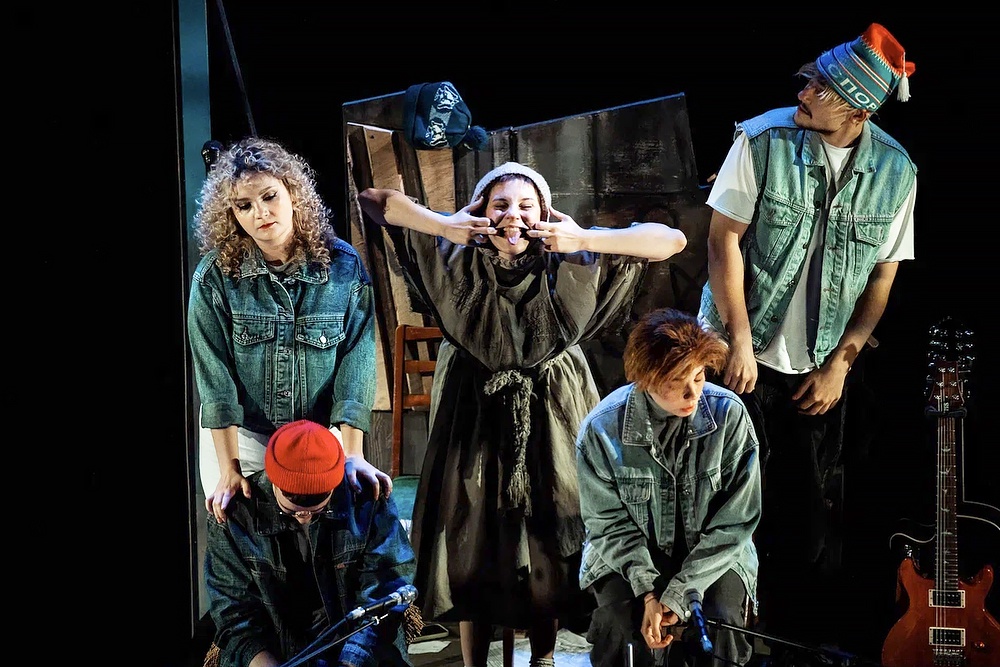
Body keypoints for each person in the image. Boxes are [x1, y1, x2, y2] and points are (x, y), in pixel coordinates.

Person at [357, 161, 687, 667]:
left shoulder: (570, 257)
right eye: (500, 204)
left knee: (549, 524)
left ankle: (543, 657)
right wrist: (445, 225)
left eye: (526, 205)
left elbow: (672, 241)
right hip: (473, 410)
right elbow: (373, 201)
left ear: (545, 212)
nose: (513, 216)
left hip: (554, 404)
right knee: (472, 529)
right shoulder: (455, 257)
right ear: (481, 211)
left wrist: (584, 237)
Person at [697, 23, 917, 647]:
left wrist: (841, 363)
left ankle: (781, 643)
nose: (804, 91)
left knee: (804, 523)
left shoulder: (896, 171)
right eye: (810, 80)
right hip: (736, 351)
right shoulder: (762, 139)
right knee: (724, 505)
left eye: (820, 87)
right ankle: (723, 640)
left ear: (857, 109)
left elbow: (882, 276)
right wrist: (739, 341)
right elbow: (722, 240)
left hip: (817, 369)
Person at [189, 136, 392, 525]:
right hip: (245, 438)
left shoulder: (343, 268)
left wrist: (353, 453)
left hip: (318, 437)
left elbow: (357, 367)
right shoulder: (215, 278)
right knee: (244, 538)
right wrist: (229, 467)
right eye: (244, 206)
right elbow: (215, 381)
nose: (261, 213)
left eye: (269, 196)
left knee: (333, 538)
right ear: (231, 214)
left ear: (293, 193)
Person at [575, 307, 761, 667]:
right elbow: (607, 525)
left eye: (699, 377)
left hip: (713, 553)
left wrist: (681, 592)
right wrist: (648, 593)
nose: (693, 393)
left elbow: (736, 523)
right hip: (627, 556)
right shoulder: (601, 429)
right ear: (646, 379)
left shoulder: (730, 416)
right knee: (619, 625)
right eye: (677, 381)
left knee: (721, 620)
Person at [204, 419, 416, 667]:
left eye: (317, 511)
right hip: (275, 647)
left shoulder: (369, 502)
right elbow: (234, 614)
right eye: (291, 511)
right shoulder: (235, 515)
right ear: (274, 482)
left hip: (354, 645)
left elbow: (384, 593)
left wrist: (350, 661)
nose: (304, 517)